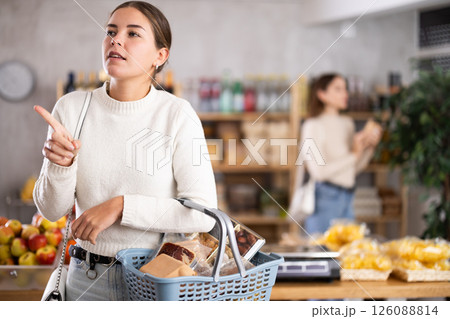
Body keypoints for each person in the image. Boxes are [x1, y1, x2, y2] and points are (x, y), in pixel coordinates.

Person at [33, 1, 216, 301]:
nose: (116, 40)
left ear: (161, 55)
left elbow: (202, 214)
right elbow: (51, 211)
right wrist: (60, 165)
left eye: (133, 33)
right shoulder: (71, 108)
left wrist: (120, 206)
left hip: (155, 280)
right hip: (85, 280)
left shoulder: (178, 115)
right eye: (111, 31)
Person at [298, 73, 381, 235]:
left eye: (345, 89)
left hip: (348, 198)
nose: (345, 94)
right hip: (324, 199)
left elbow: (353, 169)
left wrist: (369, 148)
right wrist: (354, 155)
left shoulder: (347, 124)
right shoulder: (312, 125)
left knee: (347, 257)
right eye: (338, 89)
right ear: (322, 94)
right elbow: (319, 172)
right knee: (322, 255)